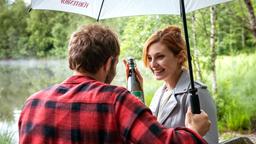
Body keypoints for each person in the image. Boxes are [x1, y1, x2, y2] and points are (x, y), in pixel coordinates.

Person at [18, 24, 211, 144]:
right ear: (109, 62)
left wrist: (137, 98)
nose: (153, 63)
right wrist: (194, 132)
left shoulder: (32, 103)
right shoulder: (117, 101)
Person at [138, 25, 218, 144]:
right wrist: (137, 92)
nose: (153, 64)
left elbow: (209, 141)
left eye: (160, 57)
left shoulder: (197, 93)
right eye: (149, 58)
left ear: (180, 57)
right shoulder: (159, 93)